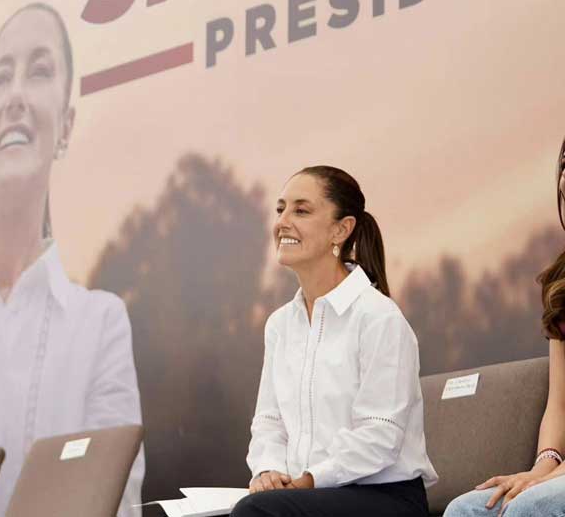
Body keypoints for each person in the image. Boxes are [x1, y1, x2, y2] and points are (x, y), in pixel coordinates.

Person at [0, 3, 143, 517]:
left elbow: (116, 492)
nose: (16, 96)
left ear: (65, 125)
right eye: (0, 79)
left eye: (39, 72)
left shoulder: (99, 322)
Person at [231, 166, 437, 517]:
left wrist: (310, 480)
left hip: (386, 498)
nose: (283, 221)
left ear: (341, 229)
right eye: (280, 209)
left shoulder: (379, 318)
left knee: (259, 513)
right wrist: (267, 471)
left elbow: (379, 435)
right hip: (303, 497)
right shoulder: (280, 325)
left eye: (301, 210)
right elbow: (269, 421)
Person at [441, 141, 565, 517]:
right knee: (466, 509)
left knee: (532, 507)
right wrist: (543, 466)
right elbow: (559, 404)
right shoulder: (560, 283)